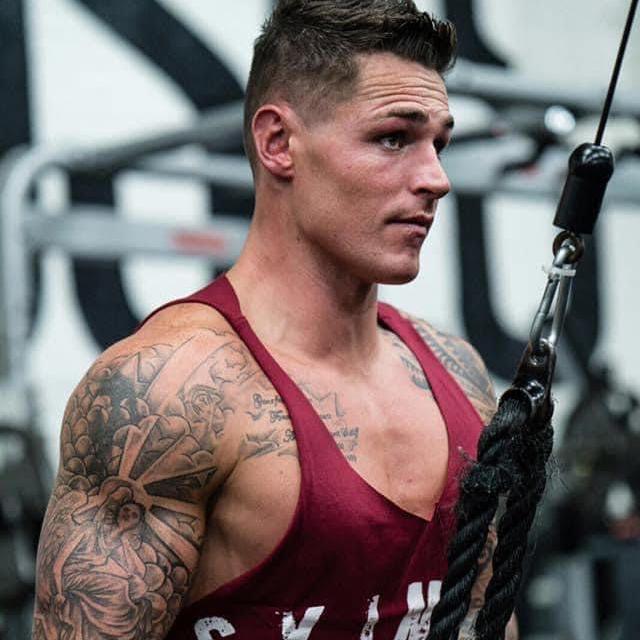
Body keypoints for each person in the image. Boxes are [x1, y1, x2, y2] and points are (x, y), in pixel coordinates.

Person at [32, 1, 518, 638]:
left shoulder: (461, 374)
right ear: (278, 143)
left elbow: (486, 621)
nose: (436, 178)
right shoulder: (163, 393)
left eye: (439, 144)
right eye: (393, 138)